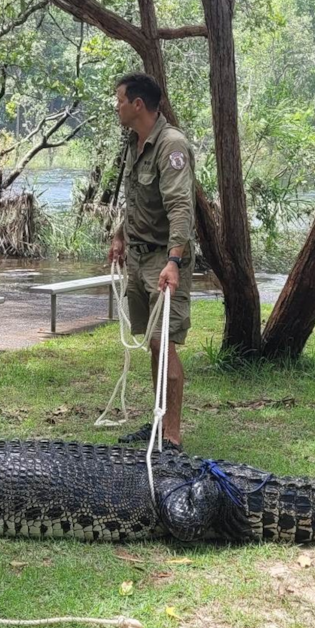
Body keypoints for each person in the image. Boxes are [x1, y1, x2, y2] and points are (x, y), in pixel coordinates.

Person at [108, 72, 195, 451]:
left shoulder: (170, 145)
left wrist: (174, 261)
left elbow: (180, 207)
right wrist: (119, 235)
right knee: (153, 344)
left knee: (164, 344)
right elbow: (135, 199)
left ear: (137, 105)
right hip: (138, 255)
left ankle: (171, 437)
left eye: (119, 99)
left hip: (164, 257)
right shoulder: (133, 141)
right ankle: (159, 422)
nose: (117, 106)